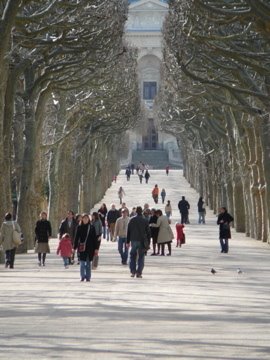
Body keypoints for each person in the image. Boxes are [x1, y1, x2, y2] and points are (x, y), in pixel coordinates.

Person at [126, 206, 151, 278]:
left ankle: (133, 271)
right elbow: (148, 232)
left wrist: (127, 241)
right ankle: (139, 272)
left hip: (133, 240)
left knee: (132, 256)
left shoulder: (131, 220)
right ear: (142, 212)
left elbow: (128, 231)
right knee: (141, 256)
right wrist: (148, 242)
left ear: (136, 212)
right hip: (142, 240)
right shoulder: (145, 220)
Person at [74, 213, 99, 281]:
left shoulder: (91, 227)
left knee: (88, 264)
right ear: (82, 219)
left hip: (90, 248)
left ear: (89, 219)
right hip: (82, 248)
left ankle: (88, 277)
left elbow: (95, 238)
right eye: (84, 218)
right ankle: (82, 276)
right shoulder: (79, 227)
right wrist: (74, 247)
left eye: (87, 218)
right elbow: (76, 238)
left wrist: (96, 248)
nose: (85, 219)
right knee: (82, 263)